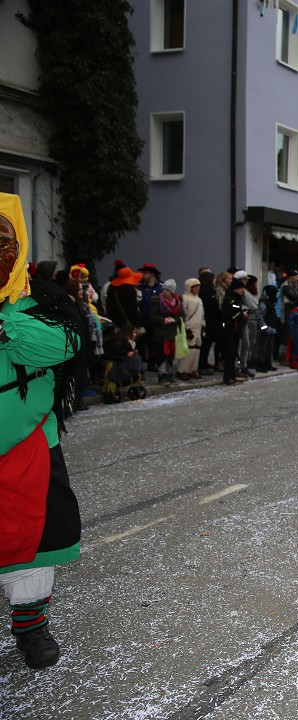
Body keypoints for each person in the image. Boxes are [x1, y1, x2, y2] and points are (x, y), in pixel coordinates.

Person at [0, 192, 84, 669]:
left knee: (32, 543)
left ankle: (31, 628)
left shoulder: (42, 301)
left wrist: (4, 325)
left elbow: (62, 345)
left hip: (28, 445)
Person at [147, 278, 181, 384]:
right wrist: (163, 320)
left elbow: (181, 316)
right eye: (164, 289)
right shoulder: (157, 301)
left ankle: (170, 374)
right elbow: (151, 316)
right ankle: (162, 376)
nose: (164, 292)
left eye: (167, 290)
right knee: (161, 355)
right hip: (160, 334)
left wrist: (174, 320)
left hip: (172, 333)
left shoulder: (178, 303)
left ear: (172, 291)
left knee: (171, 355)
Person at [220, 278, 248, 384]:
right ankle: (227, 377)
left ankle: (232, 375)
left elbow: (237, 309)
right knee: (230, 354)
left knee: (234, 354)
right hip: (230, 330)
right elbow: (227, 315)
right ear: (235, 289)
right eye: (240, 288)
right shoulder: (229, 299)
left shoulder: (237, 299)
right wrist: (241, 314)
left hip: (236, 330)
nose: (242, 290)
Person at [178, 278, 204, 381]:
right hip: (190, 326)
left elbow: (202, 315)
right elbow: (183, 315)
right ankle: (183, 370)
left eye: (199, 286)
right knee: (190, 349)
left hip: (198, 327)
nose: (198, 288)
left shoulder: (199, 299)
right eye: (196, 286)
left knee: (197, 349)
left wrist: (203, 325)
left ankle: (193, 370)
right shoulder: (185, 299)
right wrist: (187, 328)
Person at [197, 270, 221, 375]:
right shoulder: (206, 292)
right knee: (205, 344)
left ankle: (204, 363)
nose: (215, 281)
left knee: (207, 344)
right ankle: (201, 365)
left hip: (211, 321)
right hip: (208, 321)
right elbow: (212, 306)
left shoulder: (209, 291)